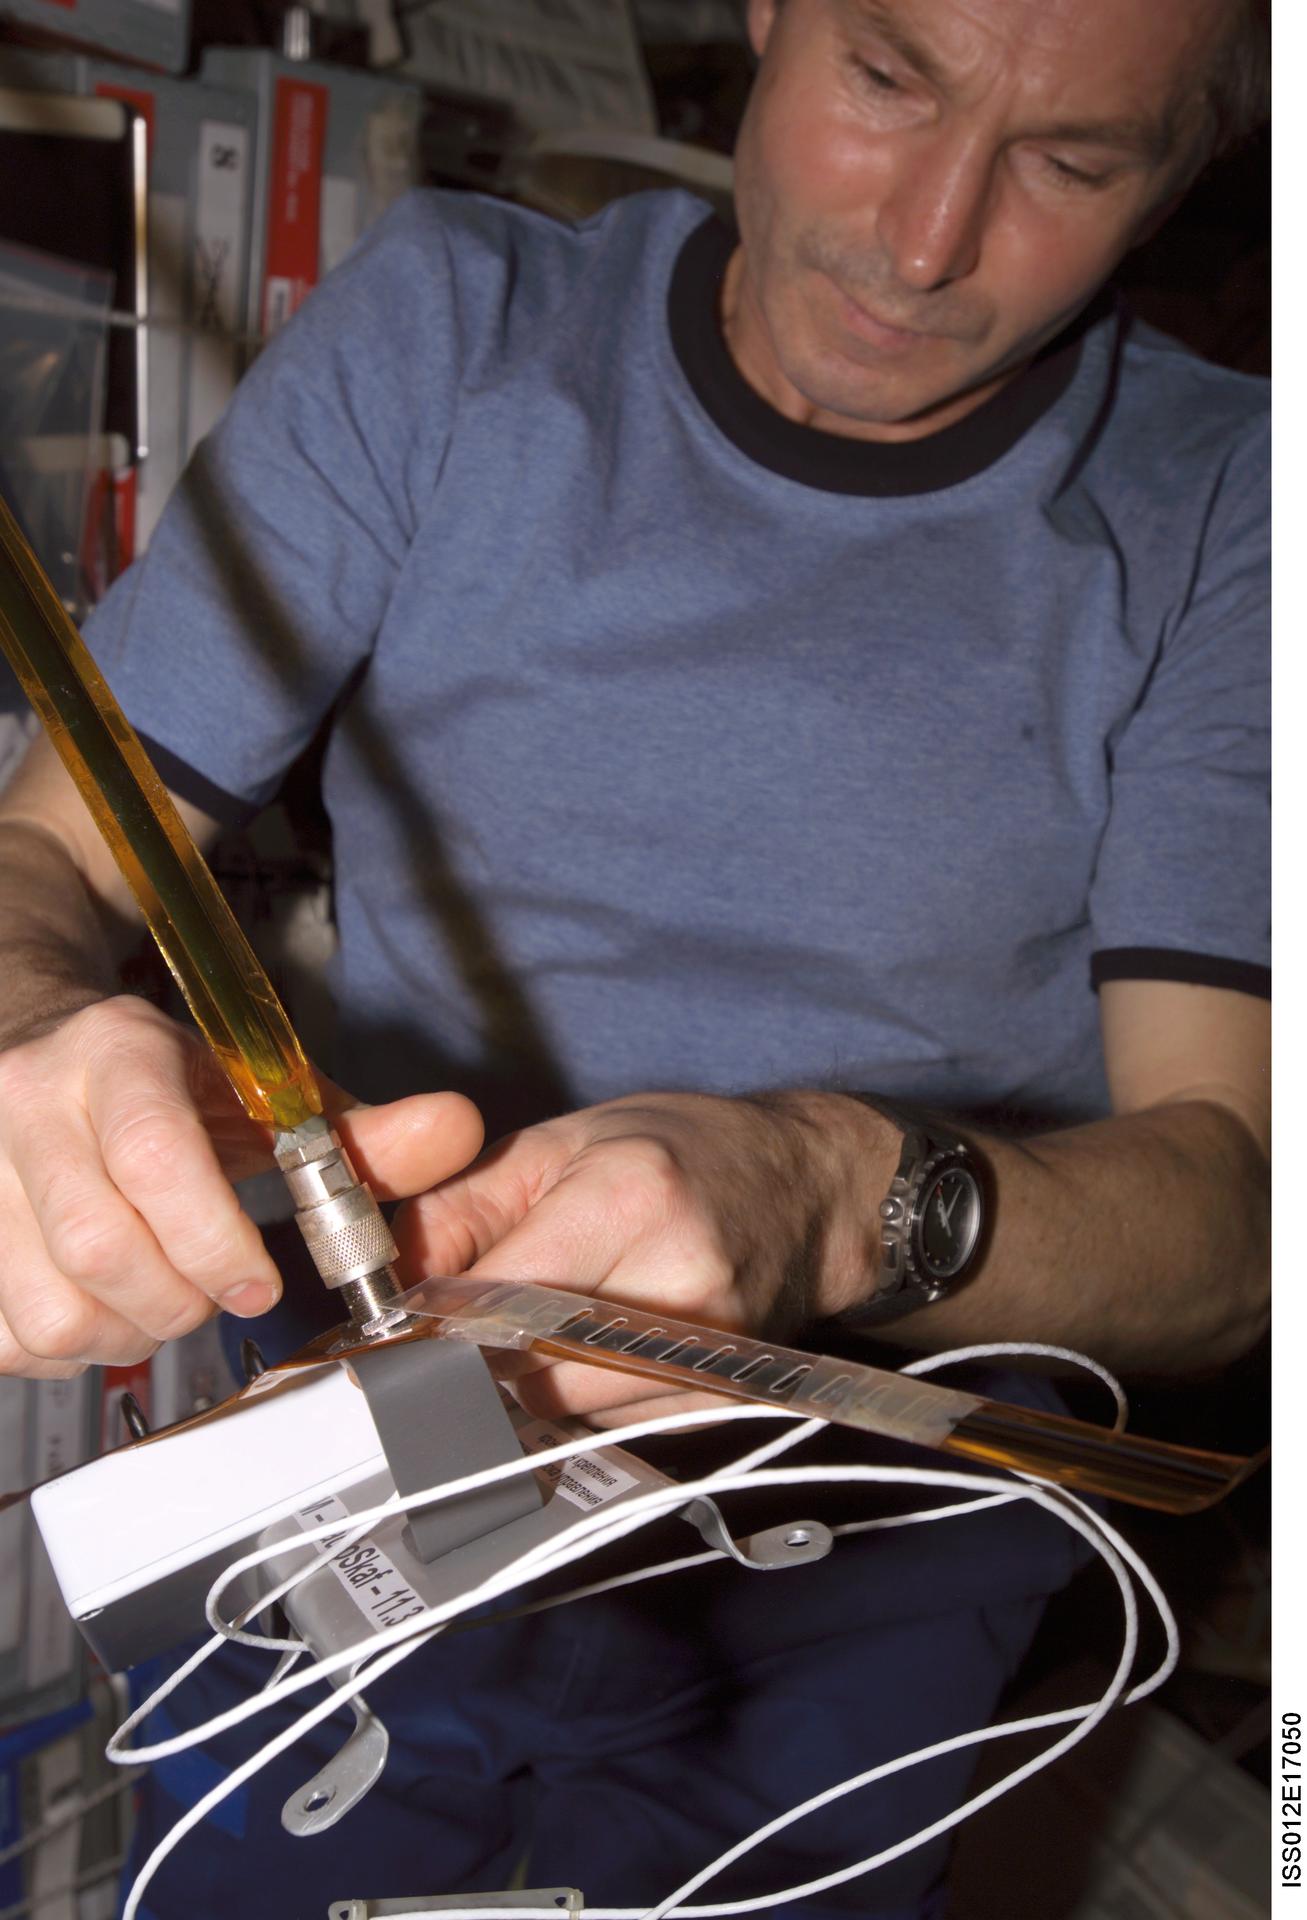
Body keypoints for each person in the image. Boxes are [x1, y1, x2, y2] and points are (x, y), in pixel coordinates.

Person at [0, 0, 1269, 1914]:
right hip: (374, 1422)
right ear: (768, 13)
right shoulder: (456, 326)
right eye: (889, 80)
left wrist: (825, 1196)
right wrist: (32, 1022)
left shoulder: (1239, 503)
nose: (927, 237)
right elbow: (46, 854)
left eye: (1071, 162)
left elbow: (1238, 1224)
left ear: (1183, 175)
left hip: (881, 1517)